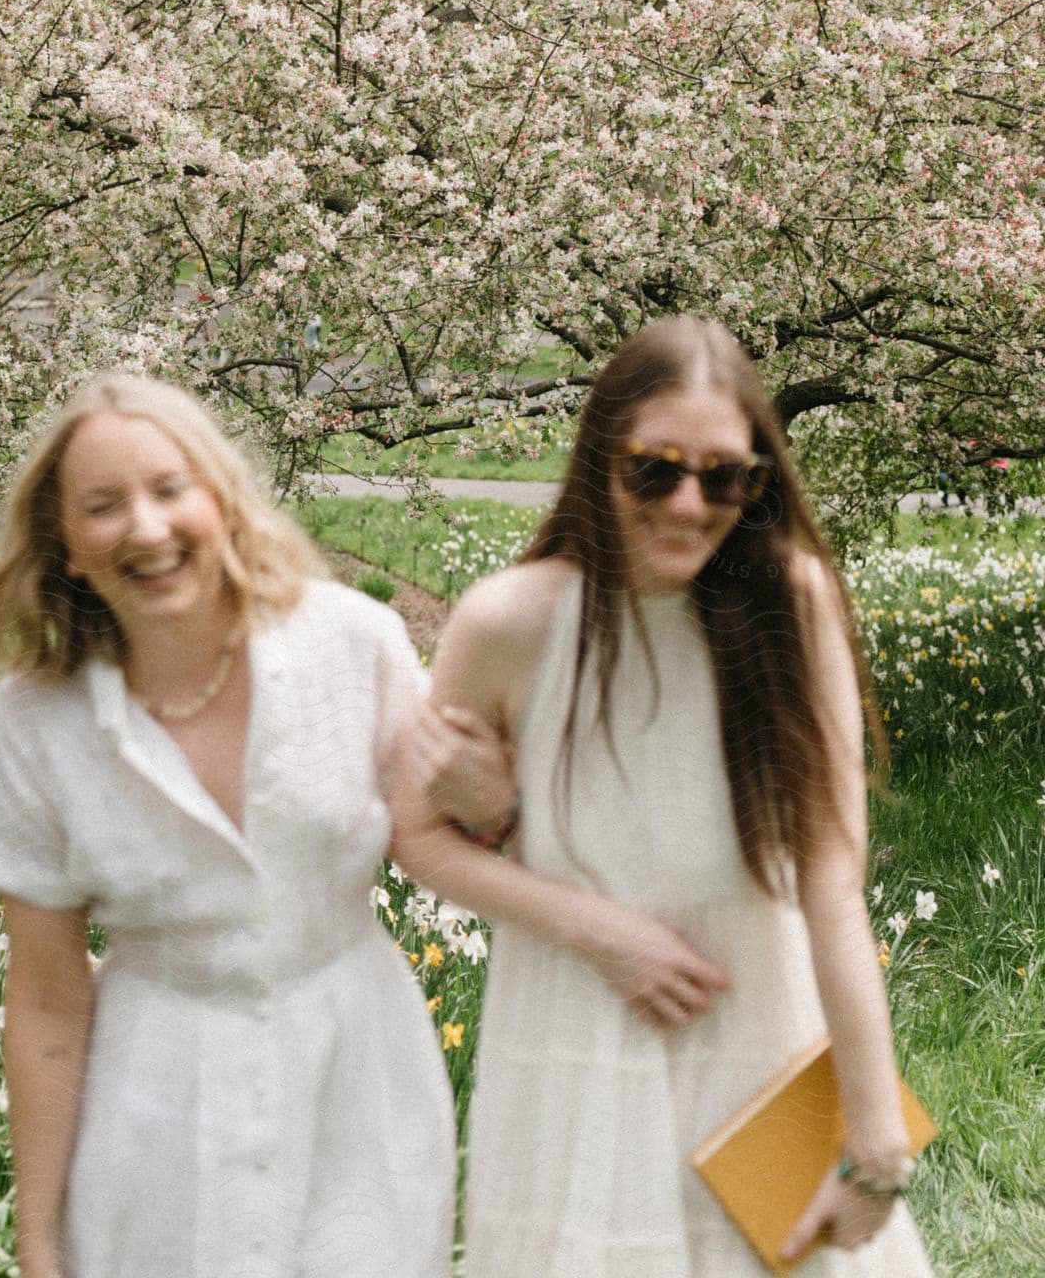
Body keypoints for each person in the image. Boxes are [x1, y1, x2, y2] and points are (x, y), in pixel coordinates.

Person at [393, 316, 935, 1277]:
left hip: (761, 1032)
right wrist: (601, 930)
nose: (690, 504)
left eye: (726, 476)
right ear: (602, 458)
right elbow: (420, 840)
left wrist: (873, 1120)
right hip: (572, 1034)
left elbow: (831, 882)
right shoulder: (510, 622)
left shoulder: (791, 603)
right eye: (655, 469)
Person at [0, 372, 511, 1278]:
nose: (146, 527)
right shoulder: (37, 721)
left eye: (170, 490)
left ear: (219, 498)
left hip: (358, 1087)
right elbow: (48, 997)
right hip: (157, 1111)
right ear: (66, 545)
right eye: (104, 506)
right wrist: (39, 1241)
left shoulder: (350, 643)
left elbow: (454, 833)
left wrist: (494, 801)